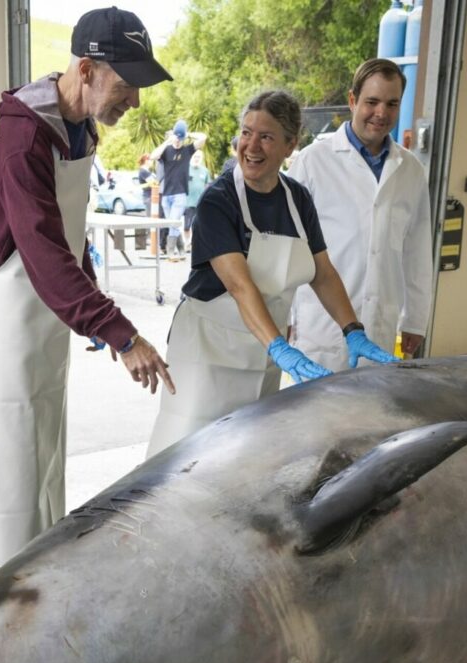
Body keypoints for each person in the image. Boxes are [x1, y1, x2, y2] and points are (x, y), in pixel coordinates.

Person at [0, 7, 176, 567]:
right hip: (3, 324)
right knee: (6, 477)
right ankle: (2, 606)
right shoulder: (24, 137)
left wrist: (90, 301)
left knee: (42, 462)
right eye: (127, 86)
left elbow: (68, 239)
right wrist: (121, 334)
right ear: (86, 70)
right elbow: (44, 251)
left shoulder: (78, 130)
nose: (136, 101)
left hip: (41, 318)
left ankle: (33, 584)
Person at [147, 90, 395, 457]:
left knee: (244, 456)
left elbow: (322, 273)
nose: (252, 146)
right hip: (209, 352)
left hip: (262, 354)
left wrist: (352, 331)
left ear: (290, 145)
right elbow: (239, 285)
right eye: (246, 133)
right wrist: (282, 348)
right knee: (186, 456)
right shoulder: (219, 200)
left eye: (266, 136)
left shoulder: (297, 199)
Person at [286, 58, 436, 369]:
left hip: (380, 324)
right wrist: (284, 315)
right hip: (320, 326)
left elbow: (417, 251)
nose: (381, 113)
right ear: (353, 100)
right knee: (316, 414)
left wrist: (416, 319)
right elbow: (288, 245)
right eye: (372, 102)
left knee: (372, 414)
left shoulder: (410, 171)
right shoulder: (313, 163)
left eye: (392, 103)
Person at [154, 119, 204, 260]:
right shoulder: (167, 150)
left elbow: (203, 138)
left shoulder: (187, 150)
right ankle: (181, 249)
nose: (177, 141)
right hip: (166, 194)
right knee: (173, 224)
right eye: (176, 138)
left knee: (173, 222)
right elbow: (153, 156)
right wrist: (167, 141)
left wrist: (188, 134)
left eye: (179, 138)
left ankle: (171, 252)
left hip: (180, 193)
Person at [184, 148, 211, 249]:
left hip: (200, 202)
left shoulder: (205, 171)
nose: (196, 159)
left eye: (198, 157)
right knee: (187, 225)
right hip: (188, 202)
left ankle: (195, 243)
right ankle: (187, 242)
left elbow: (208, 184)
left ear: (201, 158)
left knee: (199, 225)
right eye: (195, 156)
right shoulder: (186, 169)